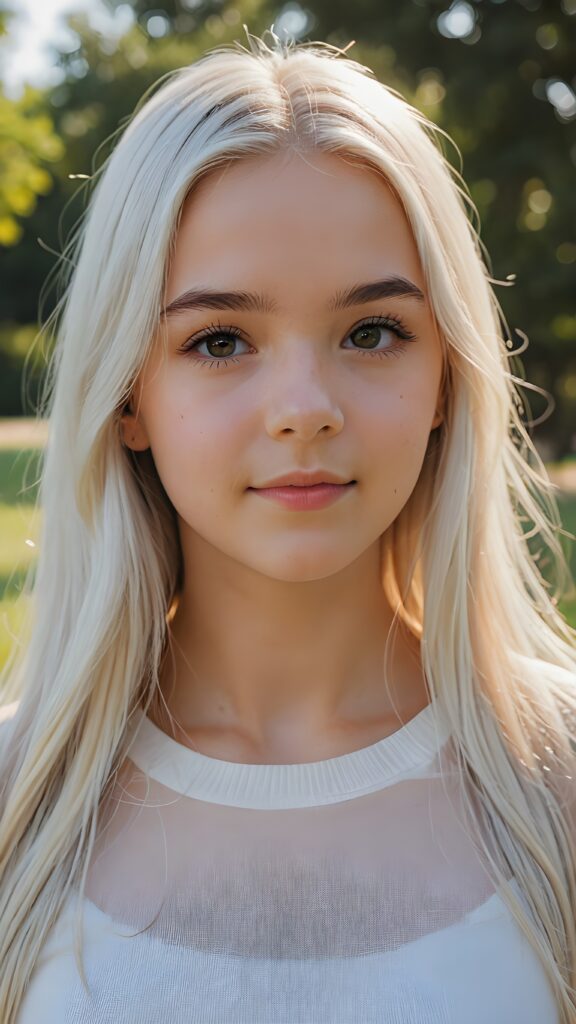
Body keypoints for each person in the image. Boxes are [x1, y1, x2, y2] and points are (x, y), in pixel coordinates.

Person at [1, 26, 575, 1024]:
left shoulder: (558, 784)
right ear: (127, 392)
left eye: (373, 332)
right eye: (220, 339)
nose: (304, 406)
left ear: (447, 376)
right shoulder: (19, 804)